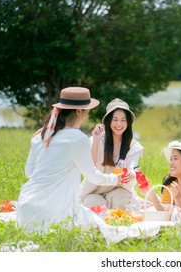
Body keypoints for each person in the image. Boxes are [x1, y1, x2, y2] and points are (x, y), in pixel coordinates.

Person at [16, 87, 129, 233]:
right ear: (79, 111)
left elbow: (29, 172)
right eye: (88, 109)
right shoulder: (77, 138)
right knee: (101, 225)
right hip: (52, 214)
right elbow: (93, 176)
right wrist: (116, 179)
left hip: (25, 209)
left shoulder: (41, 135)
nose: (88, 114)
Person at [79, 98, 143, 212]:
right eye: (115, 119)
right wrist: (96, 142)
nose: (119, 124)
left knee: (125, 204)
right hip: (93, 190)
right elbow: (90, 167)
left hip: (117, 190)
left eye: (123, 120)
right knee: (96, 207)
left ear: (128, 122)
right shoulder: (96, 140)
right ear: (109, 121)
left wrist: (131, 174)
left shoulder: (133, 145)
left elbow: (133, 167)